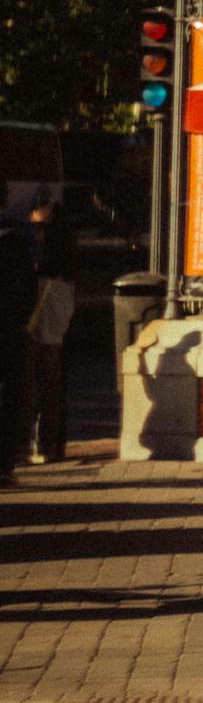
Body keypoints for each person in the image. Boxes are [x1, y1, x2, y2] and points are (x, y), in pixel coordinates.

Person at [25, 194, 74, 463]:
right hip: (55, 337)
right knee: (52, 392)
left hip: (36, 334)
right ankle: (49, 447)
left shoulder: (39, 273)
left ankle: (32, 446)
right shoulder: (66, 277)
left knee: (31, 391)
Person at [0, 185, 36, 484]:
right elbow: (28, 289)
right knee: (10, 394)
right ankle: (5, 463)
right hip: (10, 327)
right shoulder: (18, 238)